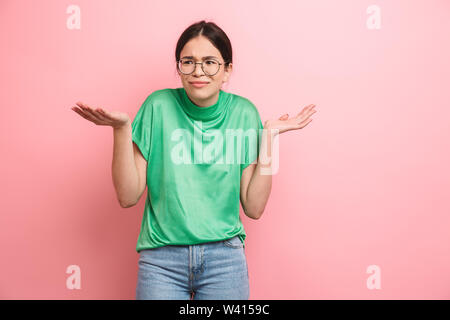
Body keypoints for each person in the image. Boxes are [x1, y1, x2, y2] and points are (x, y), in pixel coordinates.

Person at [71, 20, 316, 300]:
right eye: (188, 62)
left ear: (227, 71)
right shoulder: (157, 106)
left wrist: (270, 137)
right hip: (161, 261)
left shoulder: (244, 113)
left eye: (210, 62)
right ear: (179, 68)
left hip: (225, 260)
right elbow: (127, 196)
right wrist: (121, 130)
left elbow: (254, 207)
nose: (198, 71)